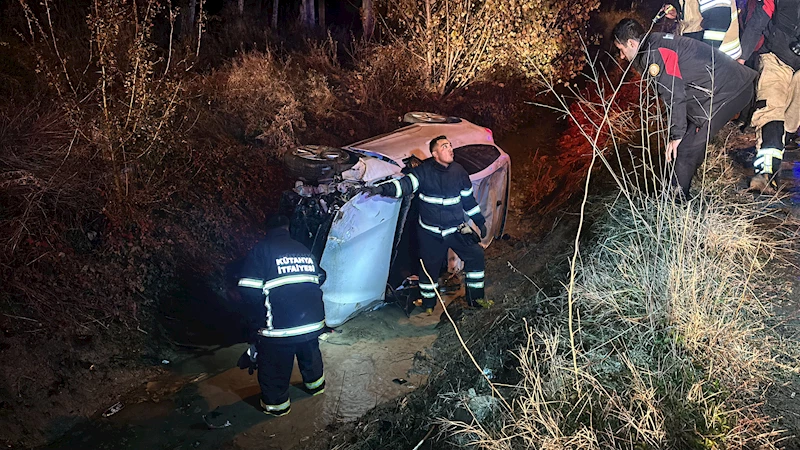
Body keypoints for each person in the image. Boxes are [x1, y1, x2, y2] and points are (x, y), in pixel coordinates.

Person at [613, 18, 757, 198]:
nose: (621, 56)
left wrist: (676, 135)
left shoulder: (654, 54)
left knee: (685, 148)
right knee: (688, 143)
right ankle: (678, 190)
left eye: (621, 50)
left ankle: (676, 202)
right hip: (726, 87)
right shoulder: (655, 42)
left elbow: (674, 93)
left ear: (631, 43)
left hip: (729, 91)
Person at [362, 135, 489, 313]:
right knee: (428, 271)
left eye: (450, 145)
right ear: (435, 153)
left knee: (475, 255)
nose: (451, 149)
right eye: (445, 146)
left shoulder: (460, 172)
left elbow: (468, 202)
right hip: (430, 234)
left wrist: (480, 222)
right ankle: (429, 305)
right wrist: (381, 189)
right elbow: (403, 186)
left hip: (455, 230)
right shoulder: (423, 172)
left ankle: (476, 301)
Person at [237, 214, 327, 417]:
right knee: (310, 356)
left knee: (274, 367)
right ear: (287, 228)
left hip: (281, 328)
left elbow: (247, 290)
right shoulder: (302, 249)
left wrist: (258, 322)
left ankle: (277, 407)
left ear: (265, 230)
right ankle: (315, 389)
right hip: (313, 323)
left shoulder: (261, 250)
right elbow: (321, 276)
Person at [737, 0, 800, 193]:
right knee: (771, 113)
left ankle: (775, 154)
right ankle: (765, 173)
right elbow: (759, 19)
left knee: (790, 122)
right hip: (775, 59)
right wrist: (743, 56)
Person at [663, 0, 742, 58]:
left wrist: (704, 58)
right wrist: (678, 13)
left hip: (719, 57)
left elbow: (719, 20)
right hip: (698, 48)